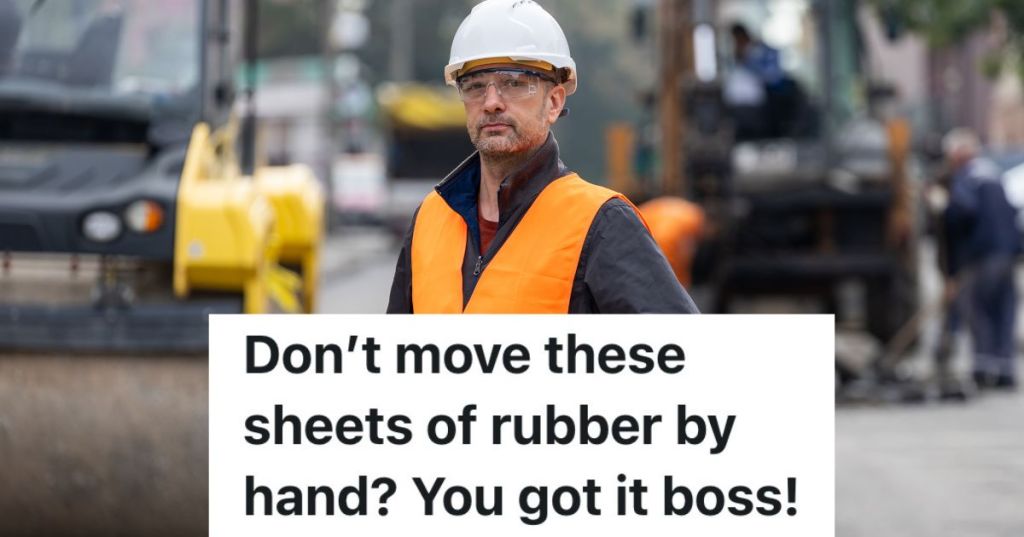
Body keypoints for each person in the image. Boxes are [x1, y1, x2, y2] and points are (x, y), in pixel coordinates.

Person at [387, 0, 697, 314]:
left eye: (514, 83)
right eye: (475, 85)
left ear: (553, 103)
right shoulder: (430, 219)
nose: (491, 101)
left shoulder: (601, 222)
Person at [942, 128, 1019, 390]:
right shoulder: (995, 174)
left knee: (979, 309)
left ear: (958, 155)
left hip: (982, 254)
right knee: (1004, 309)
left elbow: (962, 212)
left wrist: (946, 211)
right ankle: (1005, 370)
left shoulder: (967, 179)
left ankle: (984, 368)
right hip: (1007, 253)